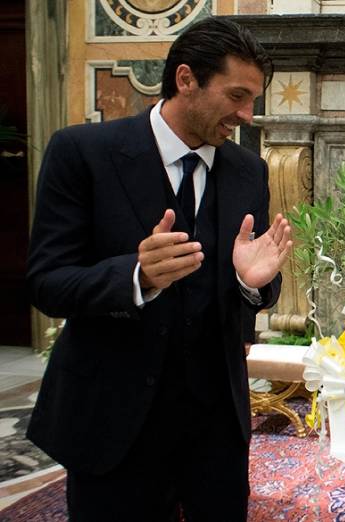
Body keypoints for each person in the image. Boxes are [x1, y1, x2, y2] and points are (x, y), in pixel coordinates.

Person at [26, 17, 291, 521]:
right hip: (113, 423)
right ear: (186, 79)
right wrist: (135, 277)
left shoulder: (247, 170)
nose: (247, 115)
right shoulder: (82, 152)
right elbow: (47, 283)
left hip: (215, 433)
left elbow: (253, 289)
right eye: (237, 95)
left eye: (253, 99)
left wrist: (250, 285)